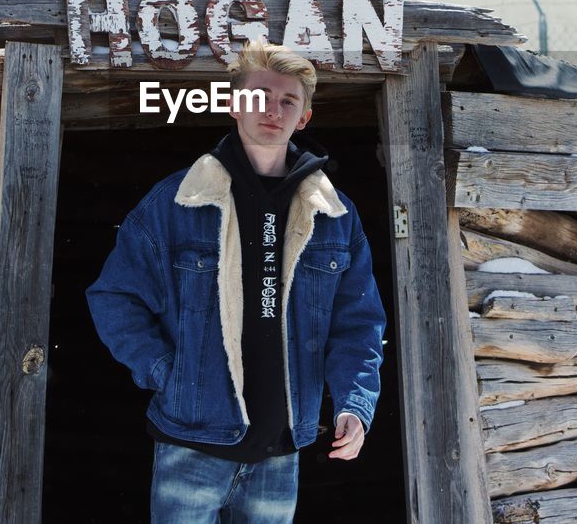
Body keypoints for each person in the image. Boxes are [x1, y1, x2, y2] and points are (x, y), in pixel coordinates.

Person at [87, 39, 386, 523]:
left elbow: (360, 323)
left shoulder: (334, 214)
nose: (273, 109)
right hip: (192, 443)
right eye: (260, 96)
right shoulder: (176, 201)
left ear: (304, 118)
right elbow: (114, 297)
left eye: (289, 100)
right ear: (233, 104)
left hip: (281, 451)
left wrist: (355, 403)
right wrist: (168, 372)